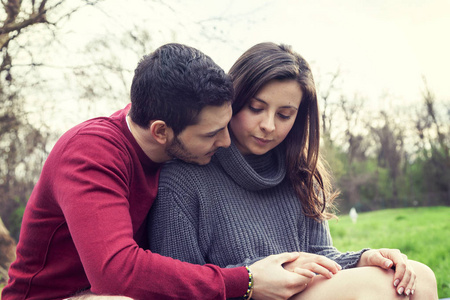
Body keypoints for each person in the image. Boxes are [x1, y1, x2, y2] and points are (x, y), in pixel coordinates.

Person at [2, 43, 313, 300]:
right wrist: (245, 281)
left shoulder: (177, 151)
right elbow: (115, 273)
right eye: (211, 134)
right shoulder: (90, 152)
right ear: (161, 131)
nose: (226, 141)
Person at [147, 42, 438, 299]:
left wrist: (364, 259)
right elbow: (180, 282)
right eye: (256, 108)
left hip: (304, 290)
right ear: (231, 101)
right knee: (374, 288)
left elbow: (321, 256)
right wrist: (270, 272)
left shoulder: (298, 175)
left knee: (419, 276)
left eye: (284, 114)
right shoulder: (182, 178)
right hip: (244, 295)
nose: (269, 125)